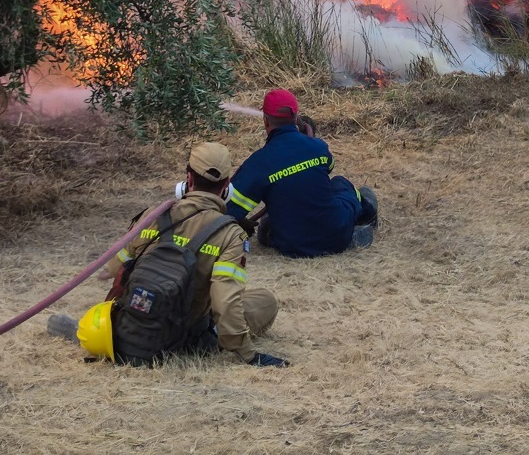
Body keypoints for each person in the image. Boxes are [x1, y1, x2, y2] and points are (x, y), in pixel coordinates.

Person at [50, 142, 287, 368]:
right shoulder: (230, 235)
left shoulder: (154, 216)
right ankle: (208, 336)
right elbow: (224, 300)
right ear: (226, 186)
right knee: (265, 300)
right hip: (185, 334)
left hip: (136, 321)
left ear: (189, 178)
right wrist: (247, 354)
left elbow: (114, 269)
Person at [226, 89, 378, 258]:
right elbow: (328, 167)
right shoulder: (318, 146)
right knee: (340, 183)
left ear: (265, 121)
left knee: (268, 225)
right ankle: (368, 216)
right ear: (296, 117)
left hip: (292, 245)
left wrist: (238, 220)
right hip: (337, 235)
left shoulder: (258, 164)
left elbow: (227, 208)